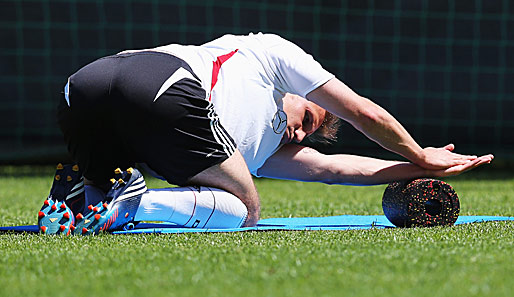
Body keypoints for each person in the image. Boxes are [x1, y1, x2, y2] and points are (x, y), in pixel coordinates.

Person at [38, 33, 493, 235]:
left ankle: (81, 201)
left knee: (92, 209)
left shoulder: (263, 150)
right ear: (301, 93)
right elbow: (359, 112)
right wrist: (420, 151)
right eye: (311, 119)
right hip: (162, 80)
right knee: (247, 209)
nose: (299, 134)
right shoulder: (270, 53)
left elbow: (340, 168)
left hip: (83, 88)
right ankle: (134, 202)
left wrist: (424, 167)